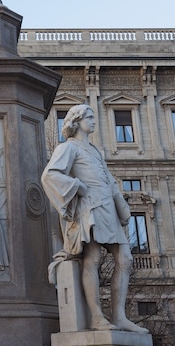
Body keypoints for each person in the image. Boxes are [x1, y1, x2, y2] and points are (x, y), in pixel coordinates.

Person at [41, 104, 148, 334]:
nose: (93, 120)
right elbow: (50, 174)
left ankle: (119, 317)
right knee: (93, 257)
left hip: (108, 207)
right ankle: (96, 317)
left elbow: (109, 180)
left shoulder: (95, 150)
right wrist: (76, 185)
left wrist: (122, 206)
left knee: (125, 259)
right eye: (88, 116)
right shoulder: (68, 147)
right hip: (90, 208)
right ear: (76, 121)